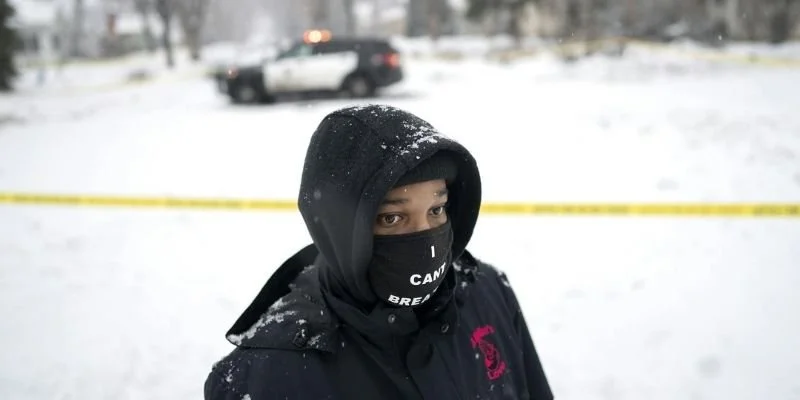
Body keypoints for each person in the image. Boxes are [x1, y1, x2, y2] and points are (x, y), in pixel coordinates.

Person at [204, 105, 553, 399]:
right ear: (340, 228)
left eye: (436, 210)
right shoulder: (267, 376)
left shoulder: (488, 294)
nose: (425, 237)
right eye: (392, 217)